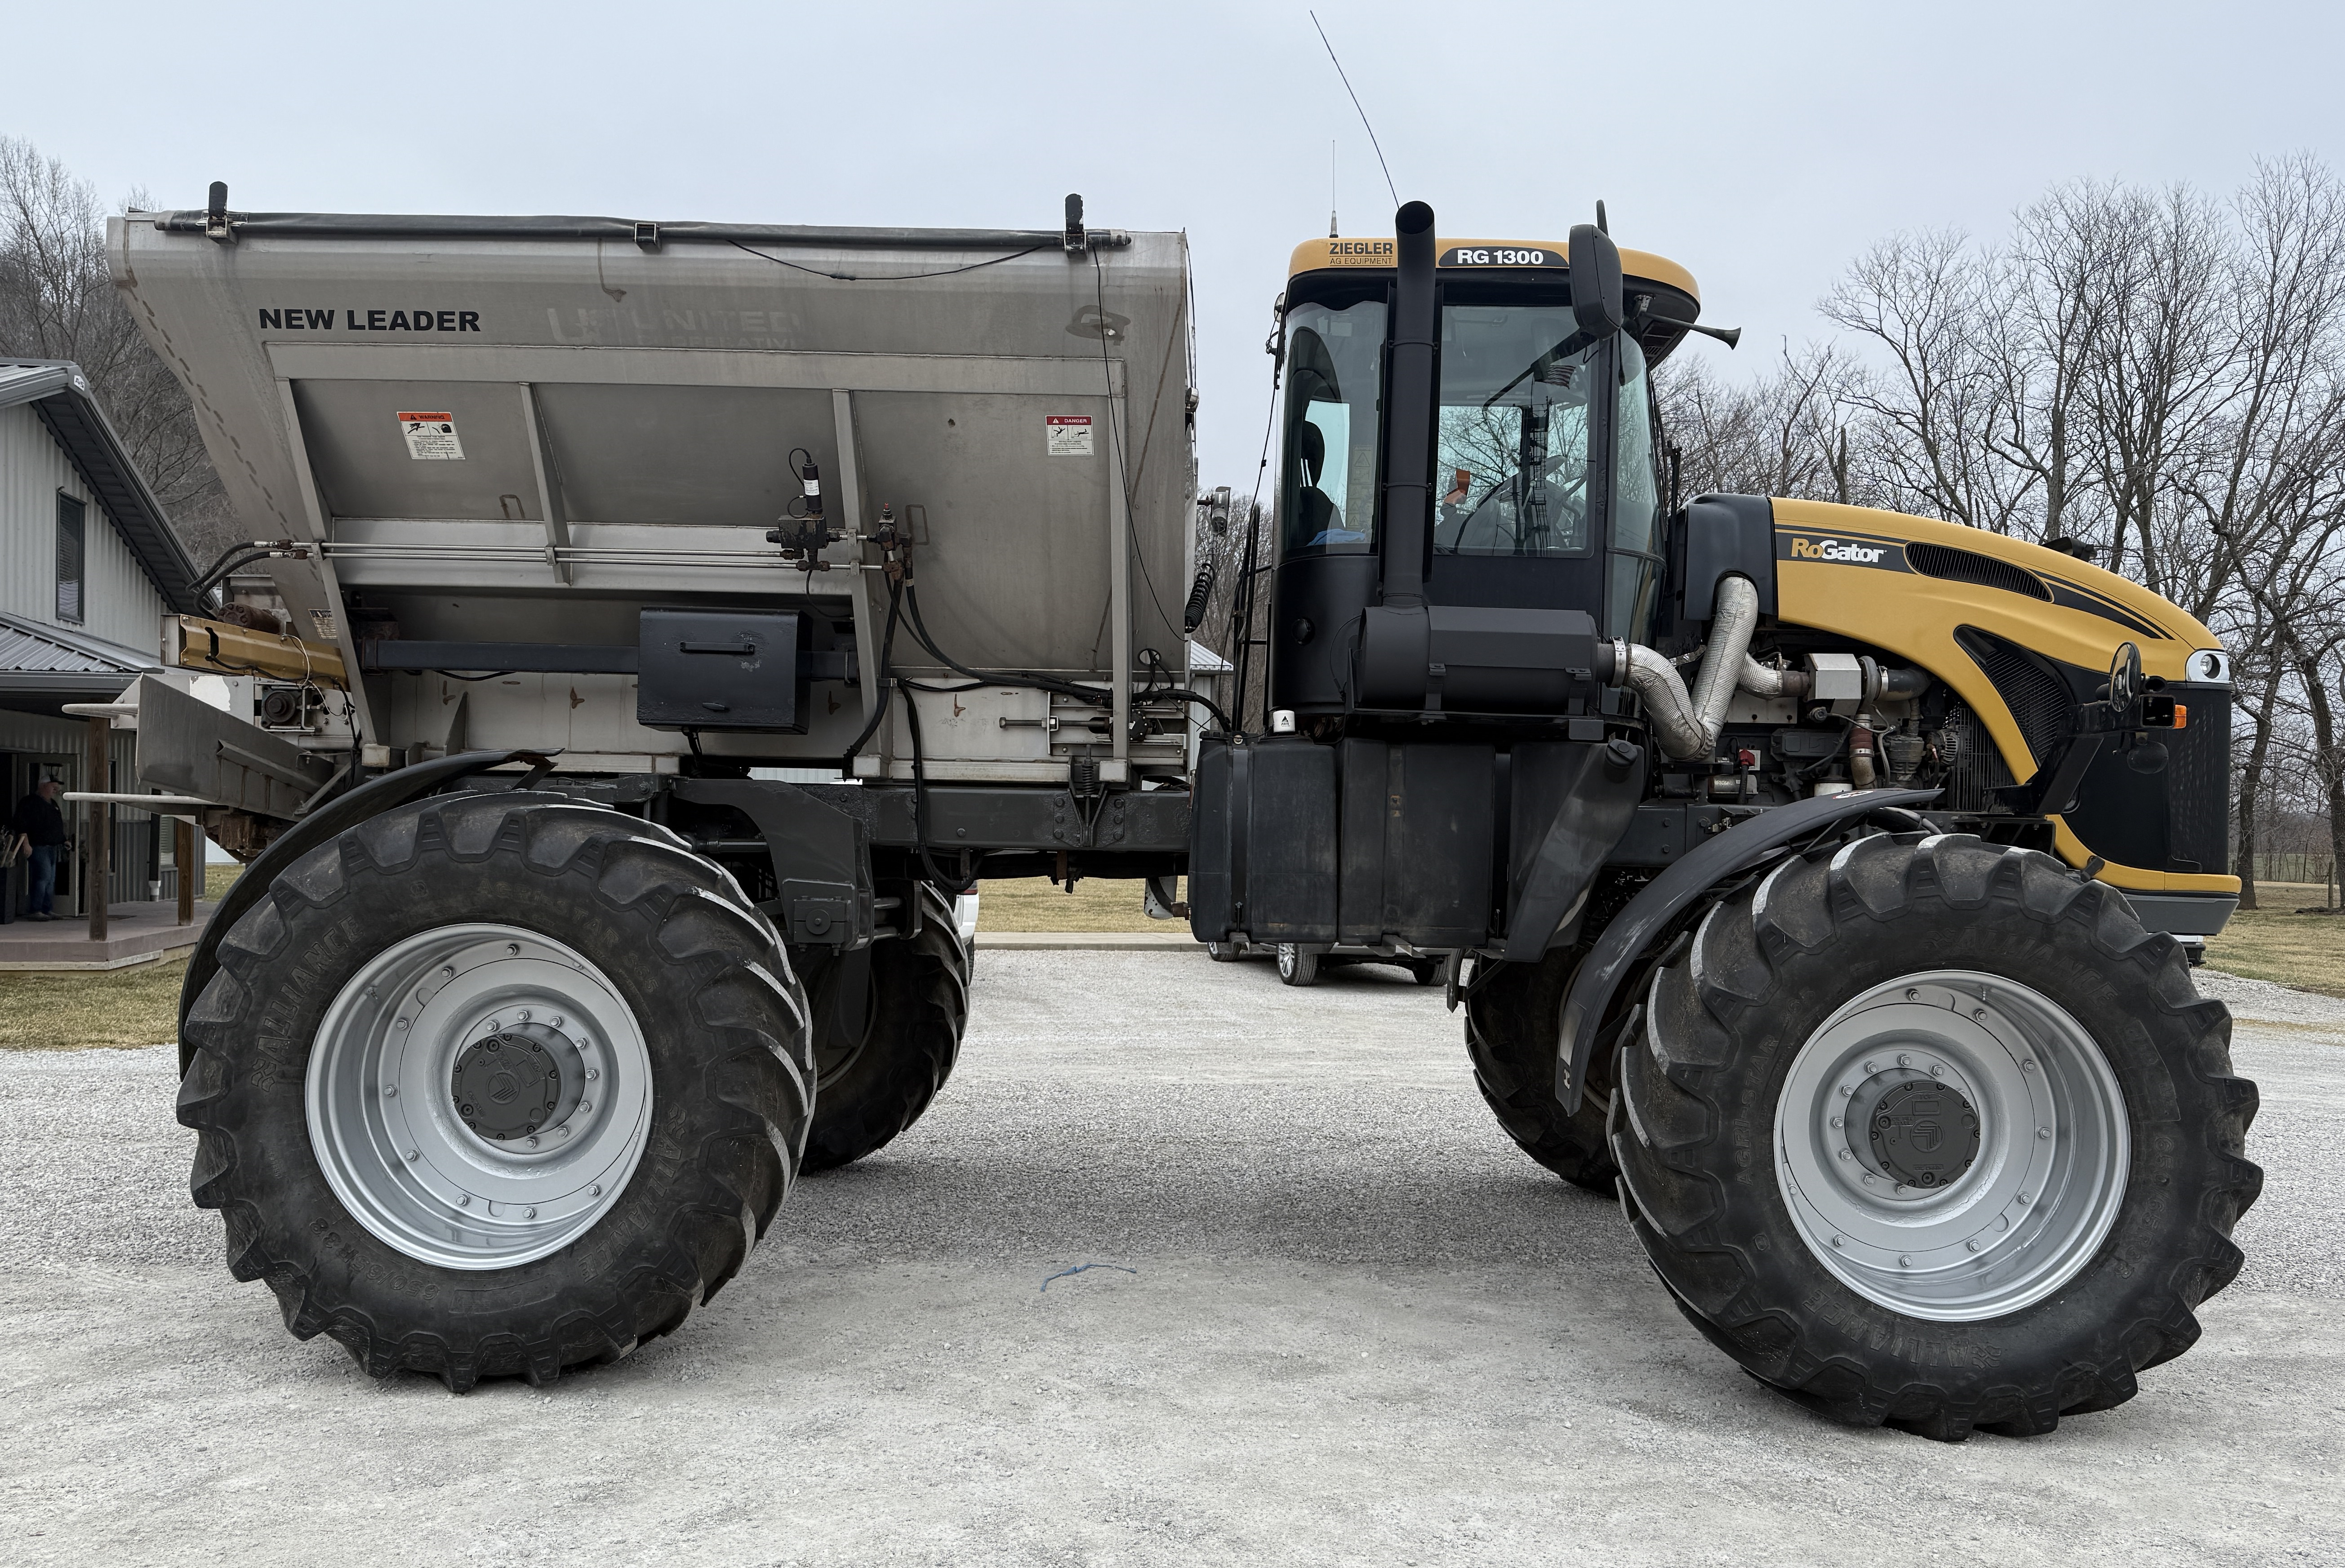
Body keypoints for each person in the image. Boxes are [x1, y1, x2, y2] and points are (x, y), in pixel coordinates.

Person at [9, 778, 68, 921]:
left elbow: (57, 825)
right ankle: (36, 910)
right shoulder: (30, 802)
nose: (55, 790)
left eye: (57, 787)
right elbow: (21, 824)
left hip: (53, 847)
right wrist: (26, 844)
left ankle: (47, 909)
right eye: (53, 787)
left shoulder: (53, 804)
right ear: (43, 786)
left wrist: (64, 840)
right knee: (43, 877)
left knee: (51, 880)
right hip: (38, 847)